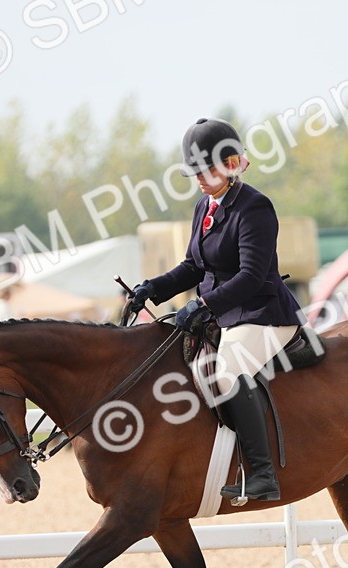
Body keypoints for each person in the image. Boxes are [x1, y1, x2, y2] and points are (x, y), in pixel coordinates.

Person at [127, 117, 303, 503]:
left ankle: (262, 474)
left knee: (227, 372)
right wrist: (152, 288)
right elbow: (193, 266)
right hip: (223, 313)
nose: (201, 179)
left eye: (207, 170)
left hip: (262, 314)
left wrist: (203, 303)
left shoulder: (255, 207)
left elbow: (252, 276)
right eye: (195, 173)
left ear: (230, 164)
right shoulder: (204, 206)